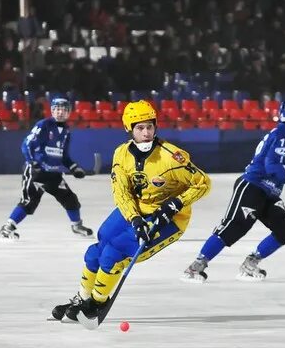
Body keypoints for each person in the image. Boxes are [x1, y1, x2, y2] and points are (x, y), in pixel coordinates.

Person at [52, 100, 211, 321]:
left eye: (149, 127)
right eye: (140, 128)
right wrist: (135, 219)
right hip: (137, 209)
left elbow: (203, 183)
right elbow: (121, 192)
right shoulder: (121, 154)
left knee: (114, 253)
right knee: (97, 247)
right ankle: (82, 297)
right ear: (129, 129)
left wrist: (175, 204)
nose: (146, 133)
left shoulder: (172, 157)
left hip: (170, 219)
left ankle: (97, 301)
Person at [182, 100, 285, 282]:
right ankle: (195, 267)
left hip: (269, 192)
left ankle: (250, 264)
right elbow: (271, 164)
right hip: (253, 186)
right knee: (233, 226)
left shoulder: (283, 134)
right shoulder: (284, 134)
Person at [0, 98, 93, 240]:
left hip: (54, 174)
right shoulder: (44, 125)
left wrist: (74, 168)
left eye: (64, 110)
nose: (60, 112)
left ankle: (76, 226)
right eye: (57, 109)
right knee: (29, 202)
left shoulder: (66, 131)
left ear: (69, 113)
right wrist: (33, 163)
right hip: (38, 173)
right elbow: (26, 145)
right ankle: (7, 228)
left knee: (70, 199)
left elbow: (63, 156)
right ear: (52, 110)